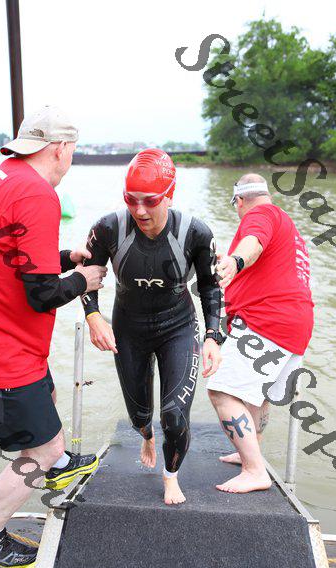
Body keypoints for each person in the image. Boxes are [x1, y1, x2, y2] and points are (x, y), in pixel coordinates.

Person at [0, 106, 107, 568]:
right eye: (72, 151)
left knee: (47, 393)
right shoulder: (38, 194)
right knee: (42, 449)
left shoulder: (1, 177)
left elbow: (12, 256)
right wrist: (83, 279)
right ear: (60, 149)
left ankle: (56, 463)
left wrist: (63, 257)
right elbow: (42, 295)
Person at [80, 148, 223, 505]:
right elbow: (86, 277)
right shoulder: (108, 228)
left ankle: (170, 475)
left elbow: (210, 287)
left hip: (178, 326)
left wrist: (213, 336)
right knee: (140, 417)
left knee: (174, 416)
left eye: (150, 201)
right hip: (129, 328)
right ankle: (146, 436)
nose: (140, 210)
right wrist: (93, 316)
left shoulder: (195, 233)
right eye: (131, 200)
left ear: (170, 195)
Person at [207, 173, 314, 493]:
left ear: (239, 201)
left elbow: (252, 241)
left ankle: (254, 470)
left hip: (268, 321)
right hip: (295, 323)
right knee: (257, 393)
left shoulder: (260, 214)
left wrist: (235, 261)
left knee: (221, 390)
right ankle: (250, 453)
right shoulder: (288, 225)